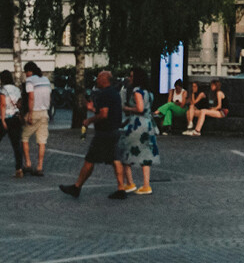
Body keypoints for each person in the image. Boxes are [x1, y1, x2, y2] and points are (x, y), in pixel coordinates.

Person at [58, 70, 124, 199]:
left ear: (104, 80)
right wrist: (93, 109)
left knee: (90, 159)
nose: (96, 80)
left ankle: (77, 187)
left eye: (99, 78)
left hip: (104, 132)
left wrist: (89, 120)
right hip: (114, 130)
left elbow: (104, 114)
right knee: (116, 159)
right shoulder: (114, 93)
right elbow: (107, 111)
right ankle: (121, 188)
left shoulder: (103, 94)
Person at [117, 68, 159, 195]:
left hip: (136, 124)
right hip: (148, 124)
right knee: (145, 154)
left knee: (125, 152)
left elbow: (139, 108)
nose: (130, 78)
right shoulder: (148, 92)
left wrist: (127, 108)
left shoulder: (137, 91)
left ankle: (130, 183)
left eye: (131, 76)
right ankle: (146, 185)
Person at [21, 62, 50, 175]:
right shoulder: (46, 80)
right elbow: (49, 97)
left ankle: (28, 163)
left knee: (24, 137)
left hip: (35, 112)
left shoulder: (30, 80)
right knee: (42, 141)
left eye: (25, 72)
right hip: (45, 112)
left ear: (29, 71)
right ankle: (39, 167)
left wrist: (30, 114)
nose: (25, 75)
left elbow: (31, 98)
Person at [2, 69, 23, 178]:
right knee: (16, 145)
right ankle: (19, 169)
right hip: (15, 118)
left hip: (5, 118)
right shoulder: (17, 89)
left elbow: (2, 105)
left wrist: (2, 120)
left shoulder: (3, 90)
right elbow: (19, 104)